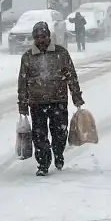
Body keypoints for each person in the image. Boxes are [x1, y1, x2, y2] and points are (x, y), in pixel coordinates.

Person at [17, 21, 84, 177]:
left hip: (58, 100)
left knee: (59, 133)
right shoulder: (27, 57)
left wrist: (76, 96)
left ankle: (58, 153)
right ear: (34, 38)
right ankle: (43, 163)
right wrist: (22, 103)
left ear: (49, 36)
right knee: (39, 136)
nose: (41, 40)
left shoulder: (61, 53)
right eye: (38, 37)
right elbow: (22, 81)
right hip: (37, 102)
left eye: (44, 36)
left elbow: (71, 76)